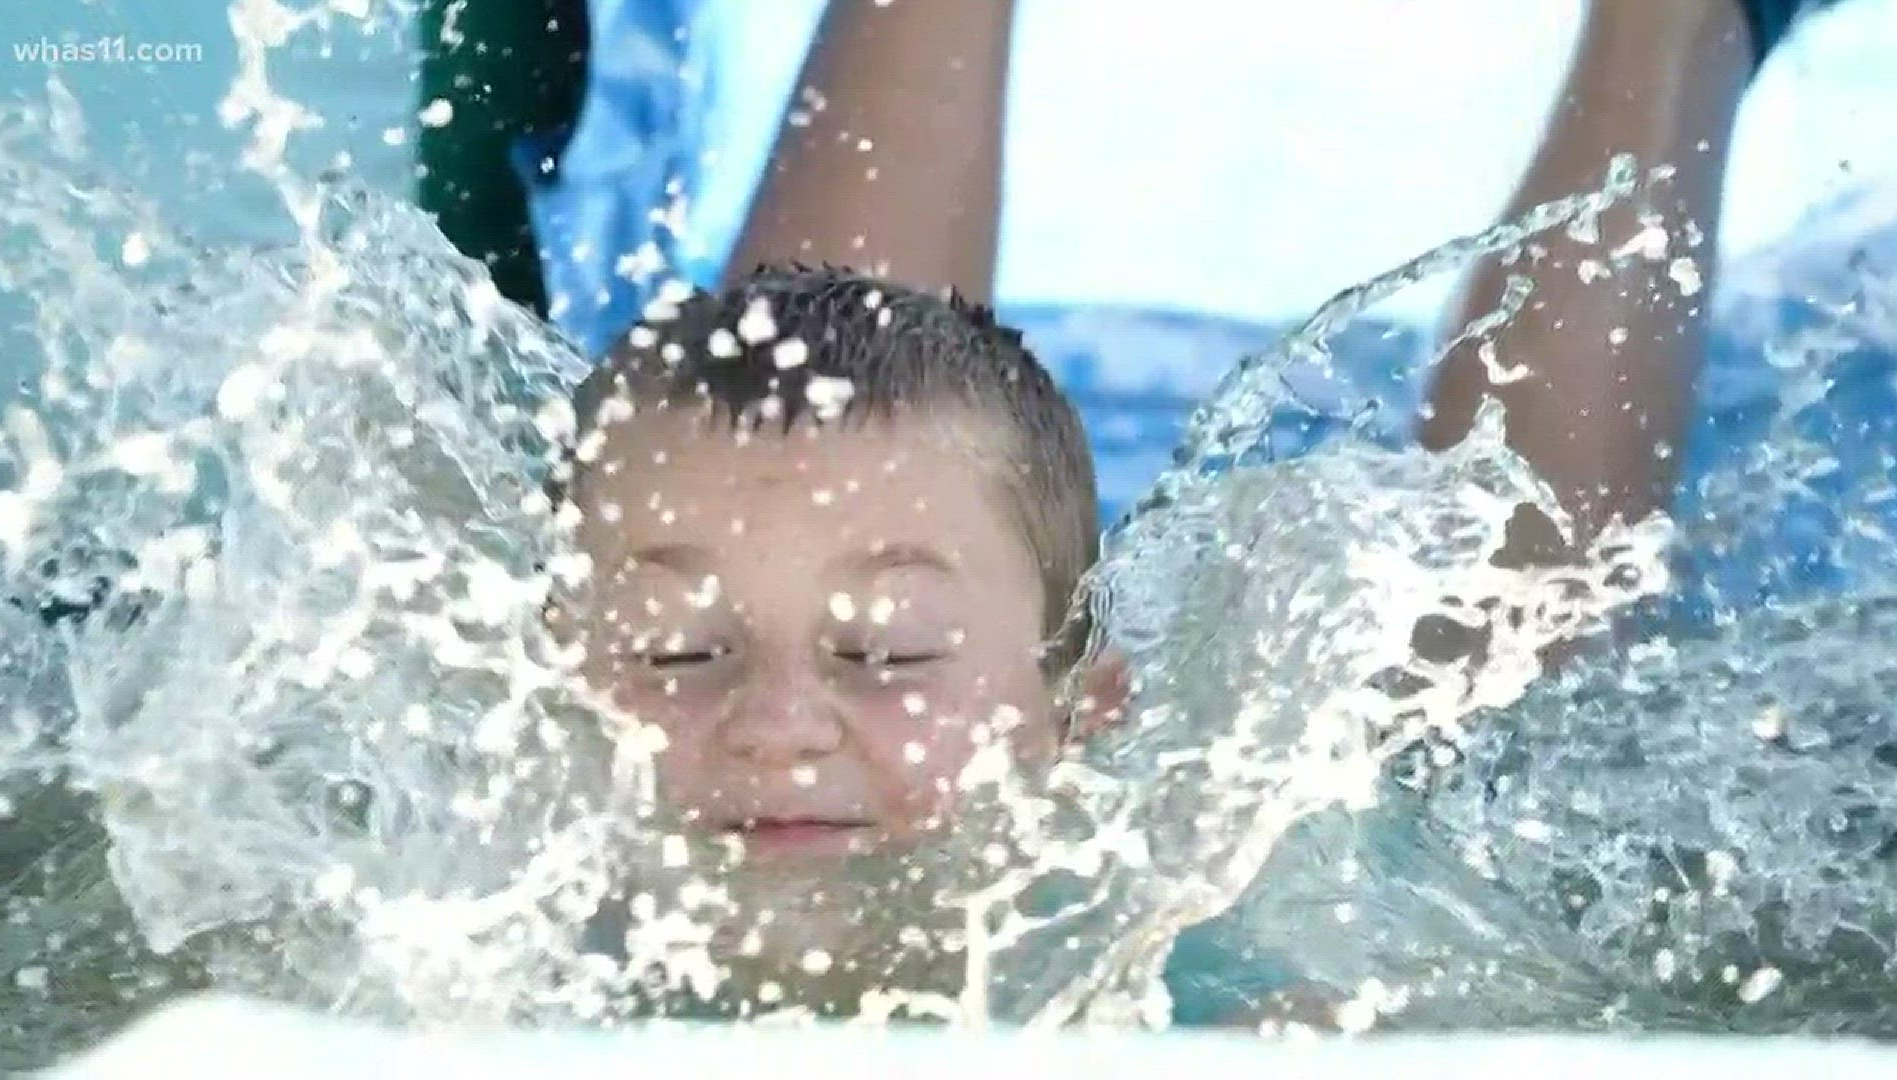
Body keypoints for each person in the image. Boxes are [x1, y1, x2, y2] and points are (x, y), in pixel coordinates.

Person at [526, 0, 1827, 1026]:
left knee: (1495, 666)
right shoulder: (485, 897)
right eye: (678, 651)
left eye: (888, 655)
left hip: (1221, 808)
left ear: (1082, 705)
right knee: (804, 446)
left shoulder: (1181, 922)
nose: (775, 728)